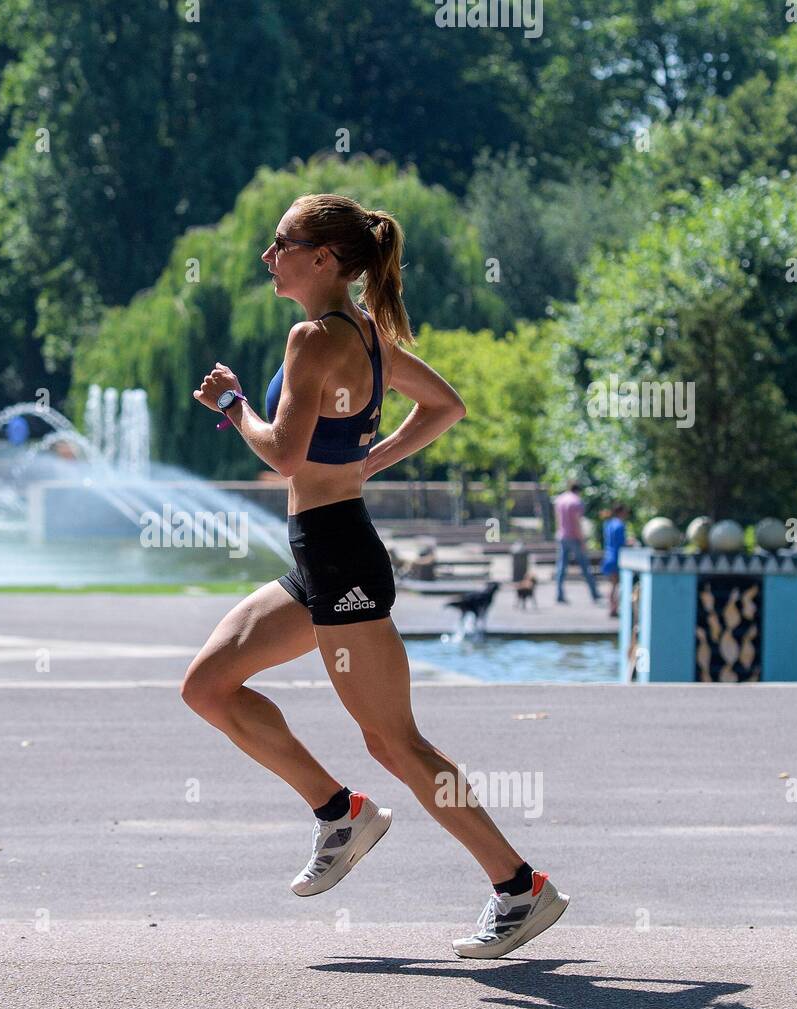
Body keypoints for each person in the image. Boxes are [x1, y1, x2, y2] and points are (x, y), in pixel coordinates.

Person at [183, 194, 569, 959]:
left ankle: (519, 887)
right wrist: (370, 459)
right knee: (208, 686)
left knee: (396, 742)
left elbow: (283, 456)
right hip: (321, 557)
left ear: (323, 257)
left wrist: (231, 405)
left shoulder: (313, 337)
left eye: (281, 243)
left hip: (340, 562)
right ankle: (339, 812)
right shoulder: (367, 335)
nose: (269, 257)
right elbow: (444, 406)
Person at [553, 480, 599, 604]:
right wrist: (582, 540)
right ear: (578, 490)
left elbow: (558, 519)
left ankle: (559, 593)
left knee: (561, 566)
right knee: (585, 566)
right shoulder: (576, 502)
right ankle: (594, 593)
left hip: (562, 536)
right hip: (574, 537)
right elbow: (577, 523)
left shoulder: (560, 499)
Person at [601, 504, 630, 618]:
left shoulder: (608, 524)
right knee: (615, 585)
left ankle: (612, 607)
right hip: (616, 557)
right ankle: (614, 608)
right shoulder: (620, 525)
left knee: (612, 585)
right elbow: (621, 543)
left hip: (608, 556)